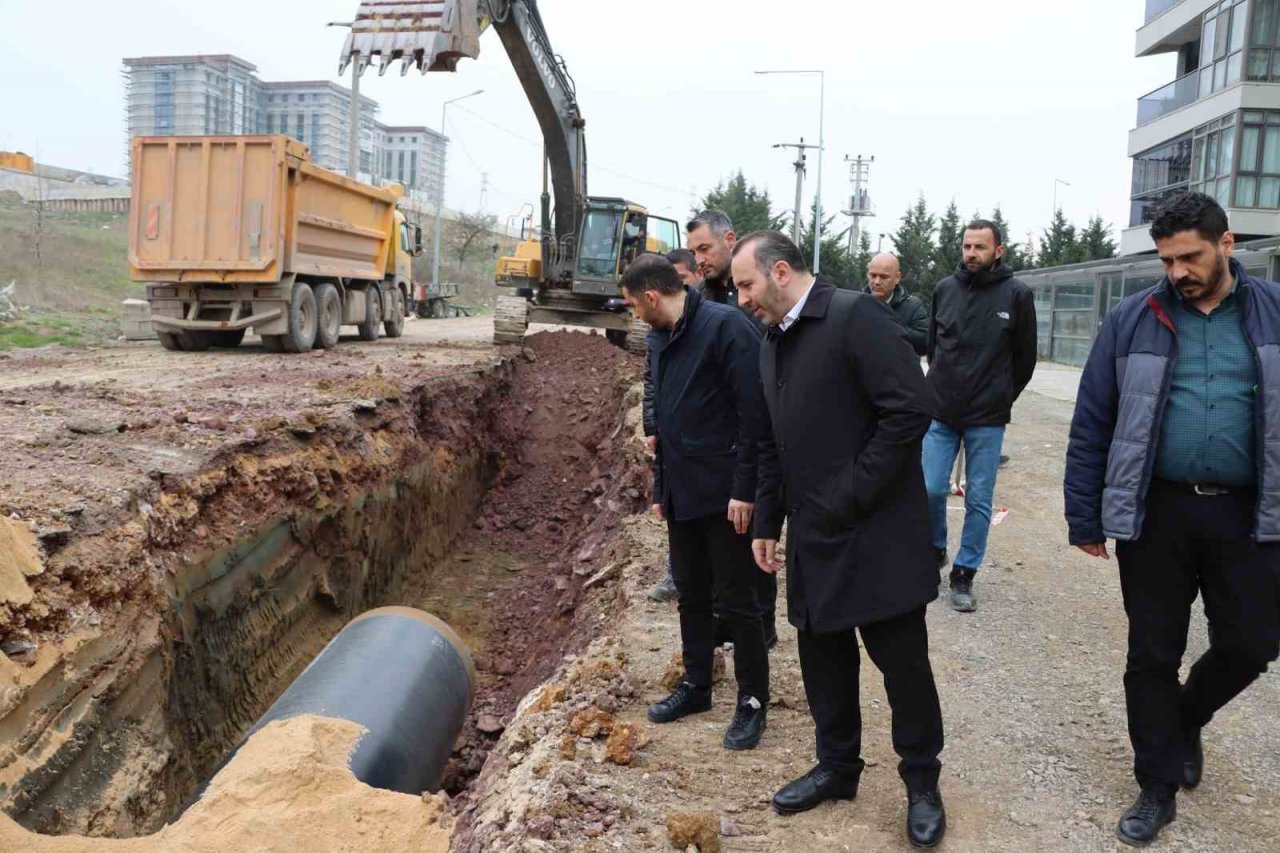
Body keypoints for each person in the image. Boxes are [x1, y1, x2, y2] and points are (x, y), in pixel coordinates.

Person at [1065, 192, 1280, 847]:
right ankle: (1157, 783)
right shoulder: (1134, 318)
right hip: (1156, 509)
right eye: (1167, 259)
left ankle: (1186, 715)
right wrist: (1085, 515)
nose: (1178, 270)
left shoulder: (1273, 313)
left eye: (1190, 255)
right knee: (1151, 650)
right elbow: (1093, 420)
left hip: (1249, 511)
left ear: (1227, 244)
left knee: (1253, 641)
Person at [735, 230, 947, 848]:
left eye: (746, 285)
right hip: (814, 535)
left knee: (902, 666)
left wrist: (847, 495)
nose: (742, 299)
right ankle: (837, 766)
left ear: (779, 272)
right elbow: (777, 443)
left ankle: (922, 783)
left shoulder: (857, 317)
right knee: (822, 656)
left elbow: (910, 412)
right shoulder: (773, 342)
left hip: (877, 532)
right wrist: (770, 521)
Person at [621, 253, 772, 750]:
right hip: (683, 489)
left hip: (726, 493)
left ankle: (752, 702)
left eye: (631, 305)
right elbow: (662, 421)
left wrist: (745, 489)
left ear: (650, 296)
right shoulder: (661, 338)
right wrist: (662, 490)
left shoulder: (726, 327)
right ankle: (697, 685)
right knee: (691, 593)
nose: (633, 316)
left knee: (738, 600)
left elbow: (756, 416)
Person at [923, 220, 1037, 612]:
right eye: (967, 246)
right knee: (930, 488)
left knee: (979, 500)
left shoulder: (1017, 295)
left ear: (998, 251)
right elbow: (934, 348)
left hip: (987, 418)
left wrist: (1001, 395)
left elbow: (1025, 360)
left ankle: (963, 574)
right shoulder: (944, 289)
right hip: (941, 412)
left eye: (980, 247)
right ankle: (935, 548)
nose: (971, 254)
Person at [686, 210, 778, 648]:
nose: (700, 259)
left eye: (705, 249)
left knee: (758, 523)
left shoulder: (759, 294)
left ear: (729, 240)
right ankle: (728, 616)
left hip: (760, 425)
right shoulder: (704, 298)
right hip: (722, 436)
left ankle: (764, 623)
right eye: (694, 252)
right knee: (728, 536)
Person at [645, 248, 709, 604]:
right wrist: (652, 424)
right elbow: (650, 381)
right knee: (676, 512)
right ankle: (678, 574)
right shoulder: (657, 331)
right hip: (673, 439)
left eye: (680, 280)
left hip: (705, 441)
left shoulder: (715, 319)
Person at [865, 253, 928, 357]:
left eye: (884, 277)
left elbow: (924, 344)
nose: (876, 282)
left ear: (897, 278)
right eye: (873, 275)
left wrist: (891, 325)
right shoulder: (857, 303)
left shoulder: (912, 306)